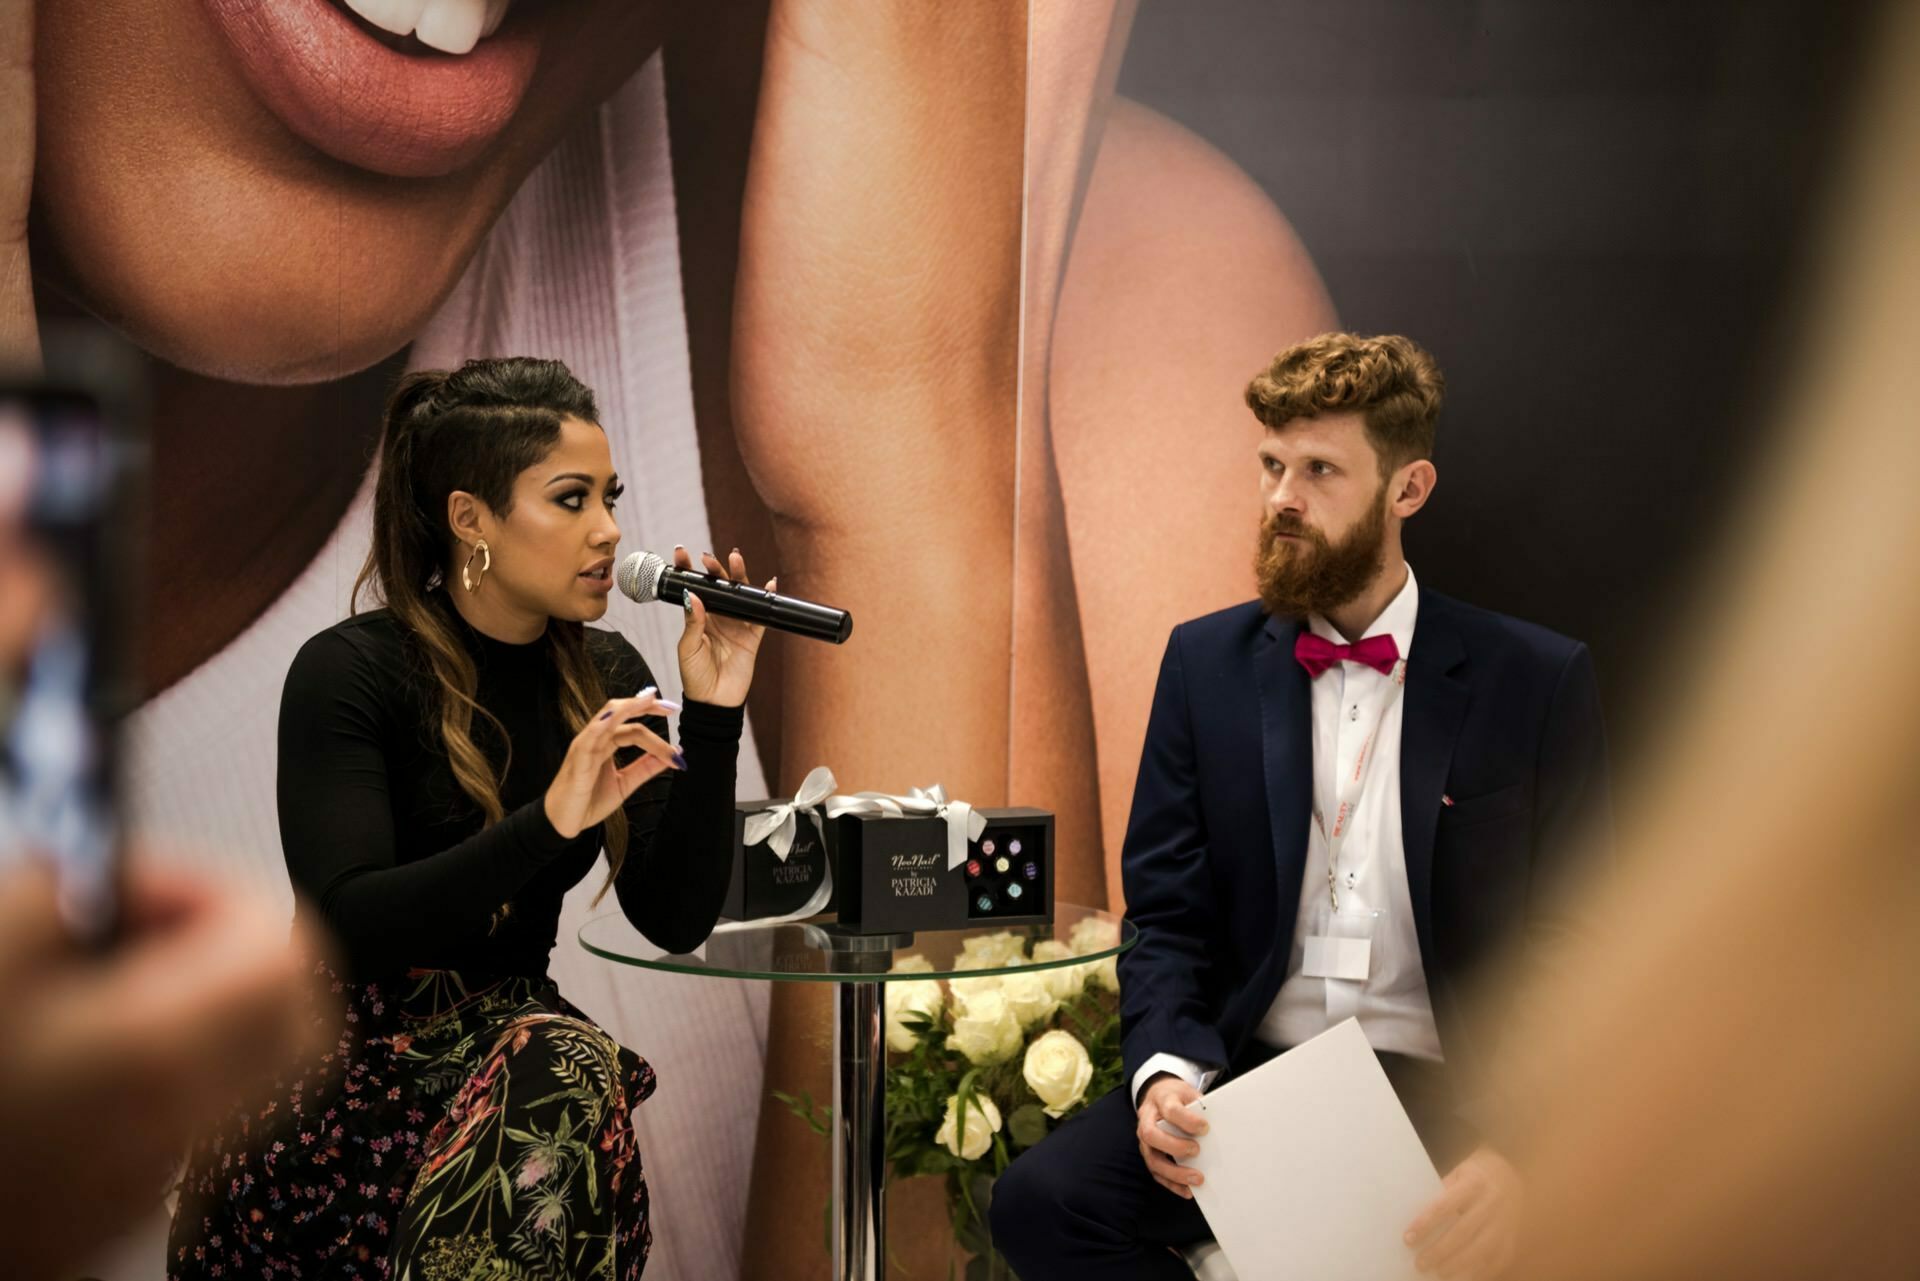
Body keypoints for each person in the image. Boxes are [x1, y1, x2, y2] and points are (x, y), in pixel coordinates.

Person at [992, 332, 1612, 1280]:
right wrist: (1165, 1074)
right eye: (1273, 465)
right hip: (1251, 1075)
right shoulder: (1204, 665)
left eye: (1320, 469)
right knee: (1042, 1202)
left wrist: (1522, 1146)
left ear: (1409, 490)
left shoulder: (1535, 678)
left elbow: (1577, 941)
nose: (1283, 496)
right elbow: (1165, 914)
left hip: (1449, 1093)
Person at [165, 356, 764, 1279]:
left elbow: (675, 919)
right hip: (336, 1081)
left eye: (611, 496)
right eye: (571, 500)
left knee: (560, 1067)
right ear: (469, 519)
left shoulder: (606, 676)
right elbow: (350, 922)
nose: (609, 531)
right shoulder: (350, 671)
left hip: (513, 1077)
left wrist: (715, 710)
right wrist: (549, 821)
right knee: (562, 1064)